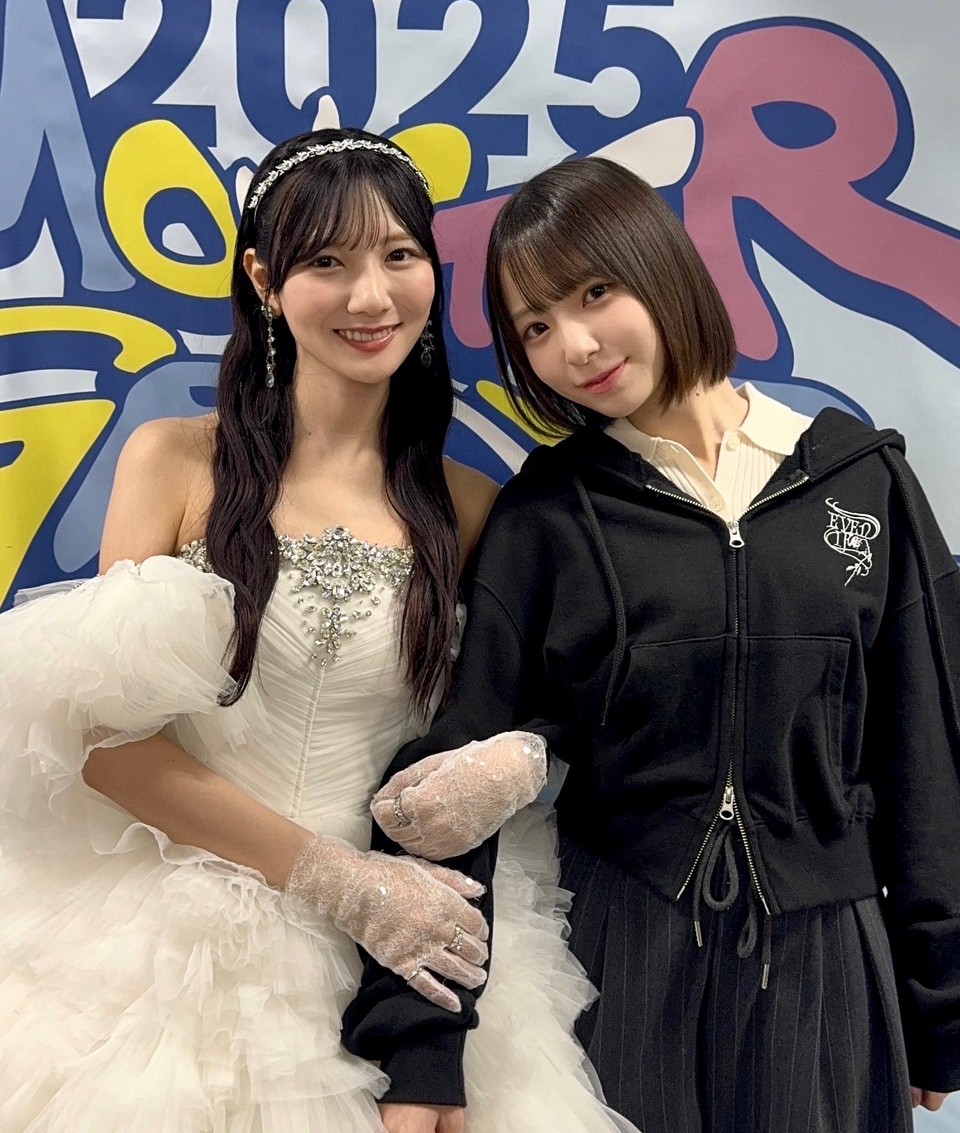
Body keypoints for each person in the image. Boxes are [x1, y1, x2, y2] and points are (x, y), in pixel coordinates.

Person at [0, 132, 632, 1133]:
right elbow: (108, 744)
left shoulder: (474, 509)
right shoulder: (174, 462)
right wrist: (338, 880)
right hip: (172, 942)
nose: (370, 296)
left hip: (399, 958)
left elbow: (500, 735)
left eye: (398, 255)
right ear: (264, 278)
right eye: (327, 261)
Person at [345, 157, 960, 1131]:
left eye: (596, 293)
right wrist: (422, 1048)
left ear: (661, 266)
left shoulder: (862, 477)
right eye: (536, 327)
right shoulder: (548, 513)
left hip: (828, 955)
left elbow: (926, 748)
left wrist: (941, 999)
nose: (575, 346)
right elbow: (450, 781)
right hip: (622, 946)